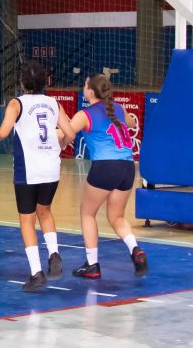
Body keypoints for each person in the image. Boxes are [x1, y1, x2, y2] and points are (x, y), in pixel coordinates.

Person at [0, 61, 75, 292]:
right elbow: (71, 132)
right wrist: (60, 145)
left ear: (22, 82)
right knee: (45, 210)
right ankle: (54, 253)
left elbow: (4, 132)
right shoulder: (53, 102)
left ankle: (36, 272)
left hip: (29, 169)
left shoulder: (17, 103)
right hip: (51, 167)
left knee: (27, 220)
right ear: (45, 81)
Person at [66, 74, 147, 279]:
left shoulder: (84, 114)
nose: (83, 87)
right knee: (117, 217)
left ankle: (92, 264)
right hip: (128, 167)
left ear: (90, 92)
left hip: (106, 166)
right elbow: (129, 123)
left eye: (85, 85)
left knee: (88, 213)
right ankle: (135, 249)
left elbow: (66, 133)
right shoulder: (118, 108)